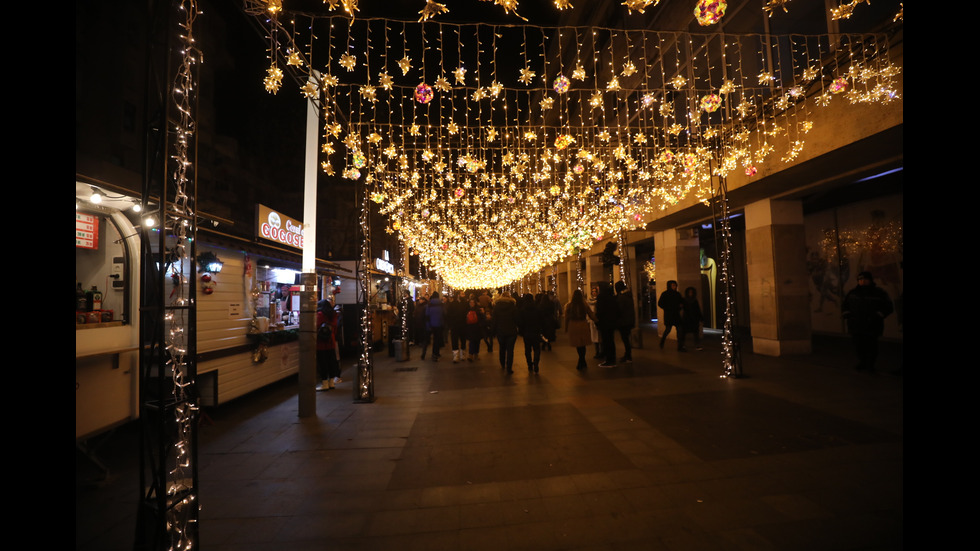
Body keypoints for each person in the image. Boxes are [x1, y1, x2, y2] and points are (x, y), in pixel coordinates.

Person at [842, 271, 894, 372]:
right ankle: (863, 362)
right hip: (856, 325)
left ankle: (870, 364)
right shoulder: (853, 293)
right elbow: (845, 305)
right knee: (858, 345)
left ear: (870, 280)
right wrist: (847, 315)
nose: (862, 282)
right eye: (860, 280)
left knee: (871, 345)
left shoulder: (879, 293)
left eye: (865, 279)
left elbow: (888, 307)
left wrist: (877, 316)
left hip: (872, 325)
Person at [565, 288, 598, 371]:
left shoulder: (569, 305)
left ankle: (581, 361)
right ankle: (582, 361)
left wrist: (566, 328)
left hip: (573, 325)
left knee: (578, 345)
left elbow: (566, 317)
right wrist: (597, 320)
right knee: (583, 344)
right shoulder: (584, 304)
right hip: (583, 324)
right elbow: (591, 314)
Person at [316, 299, 341, 390]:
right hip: (331, 341)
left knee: (322, 363)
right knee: (331, 361)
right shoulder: (333, 315)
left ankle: (324, 383)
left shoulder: (320, 315)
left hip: (321, 342)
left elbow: (315, 325)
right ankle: (331, 383)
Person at [491, 291, 519, 373]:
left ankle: (502, 363)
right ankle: (509, 367)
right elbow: (517, 319)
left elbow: (494, 320)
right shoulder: (513, 307)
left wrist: (493, 331)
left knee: (502, 348)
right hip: (511, 331)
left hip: (500, 331)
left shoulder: (496, 307)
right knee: (510, 350)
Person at [594, 282, 620, 368]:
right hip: (611, 322)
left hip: (604, 323)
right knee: (610, 341)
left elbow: (600, 311)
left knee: (606, 341)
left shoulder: (601, 297)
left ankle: (609, 360)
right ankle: (612, 359)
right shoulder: (612, 297)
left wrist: (597, 321)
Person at [517, 293, 543, 373]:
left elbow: (520, 322)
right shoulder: (537, 309)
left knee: (527, 350)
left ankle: (529, 365)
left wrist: (521, 331)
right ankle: (536, 363)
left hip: (526, 332)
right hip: (536, 331)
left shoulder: (523, 310)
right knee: (537, 349)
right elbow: (541, 321)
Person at [657, 280, 683, 350]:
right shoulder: (665, 294)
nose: (674, 287)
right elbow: (660, 303)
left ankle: (680, 346)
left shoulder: (677, 294)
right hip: (669, 315)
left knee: (679, 330)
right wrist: (667, 308)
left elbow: (681, 302)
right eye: (673, 285)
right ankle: (662, 341)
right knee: (668, 330)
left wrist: (680, 307)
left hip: (676, 314)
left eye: (675, 285)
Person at [614, 281, 635, 363]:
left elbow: (619, 309)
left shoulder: (621, 298)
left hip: (623, 322)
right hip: (628, 321)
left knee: (625, 339)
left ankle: (628, 356)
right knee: (626, 339)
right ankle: (627, 354)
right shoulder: (628, 296)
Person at [678, 286, 704, 352]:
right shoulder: (684, 300)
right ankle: (682, 345)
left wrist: (700, 318)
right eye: (689, 292)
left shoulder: (694, 300)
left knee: (695, 333)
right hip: (686, 318)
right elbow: (680, 308)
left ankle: (697, 345)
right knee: (684, 333)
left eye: (691, 292)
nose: (690, 293)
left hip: (694, 318)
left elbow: (697, 309)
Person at [447, 293, 467, 363]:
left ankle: (461, 354)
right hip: (456, 325)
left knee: (462, 340)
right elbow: (448, 315)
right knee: (456, 340)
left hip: (461, 325)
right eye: (461, 294)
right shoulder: (452, 304)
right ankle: (456, 355)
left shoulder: (465, 303)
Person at [425, 292, 445, 361]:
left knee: (434, 339)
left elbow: (427, 315)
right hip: (440, 324)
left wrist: (428, 325)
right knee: (438, 339)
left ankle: (434, 353)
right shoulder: (441, 304)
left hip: (432, 324)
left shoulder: (429, 304)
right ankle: (436, 353)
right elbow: (444, 313)